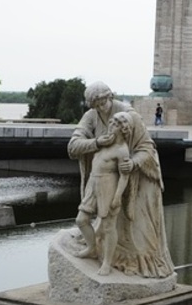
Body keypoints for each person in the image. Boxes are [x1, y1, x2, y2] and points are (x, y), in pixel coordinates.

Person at [68, 82, 174, 278]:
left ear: (110, 97)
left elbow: (147, 148)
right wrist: (97, 142)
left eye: (103, 103)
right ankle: (98, 249)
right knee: (94, 219)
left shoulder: (128, 116)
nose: (101, 108)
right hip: (104, 176)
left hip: (140, 173)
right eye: (96, 105)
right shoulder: (91, 116)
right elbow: (73, 146)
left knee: (137, 229)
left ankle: (137, 263)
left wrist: (133, 163)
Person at [76, 111, 133, 275]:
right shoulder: (105, 141)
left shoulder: (122, 150)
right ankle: (92, 247)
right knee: (81, 220)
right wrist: (98, 142)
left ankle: (107, 262)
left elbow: (124, 176)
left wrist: (117, 197)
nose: (111, 126)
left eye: (116, 124)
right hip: (93, 183)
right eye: (111, 122)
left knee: (108, 226)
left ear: (123, 129)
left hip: (108, 185)